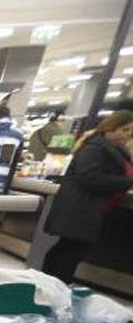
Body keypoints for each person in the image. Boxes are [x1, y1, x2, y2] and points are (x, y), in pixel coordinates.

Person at [41, 110, 133, 283]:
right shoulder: (95, 148)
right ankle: (55, 285)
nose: (127, 135)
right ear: (111, 127)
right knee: (71, 251)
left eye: (130, 131)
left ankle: (50, 285)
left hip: (86, 208)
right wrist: (126, 182)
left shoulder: (110, 148)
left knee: (68, 249)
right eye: (124, 130)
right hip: (81, 209)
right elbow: (89, 177)